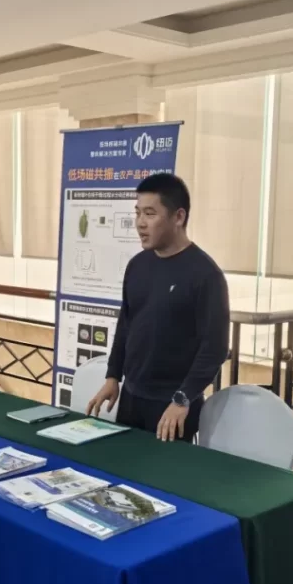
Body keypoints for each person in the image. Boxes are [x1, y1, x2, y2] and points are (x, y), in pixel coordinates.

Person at [87, 173, 229, 442]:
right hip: (131, 398)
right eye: (138, 213)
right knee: (124, 466)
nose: (140, 223)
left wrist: (182, 399)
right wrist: (113, 376)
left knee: (163, 469)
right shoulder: (137, 265)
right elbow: (126, 323)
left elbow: (214, 349)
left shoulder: (206, 275)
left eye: (150, 214)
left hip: (173, 407)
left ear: (179, 217)